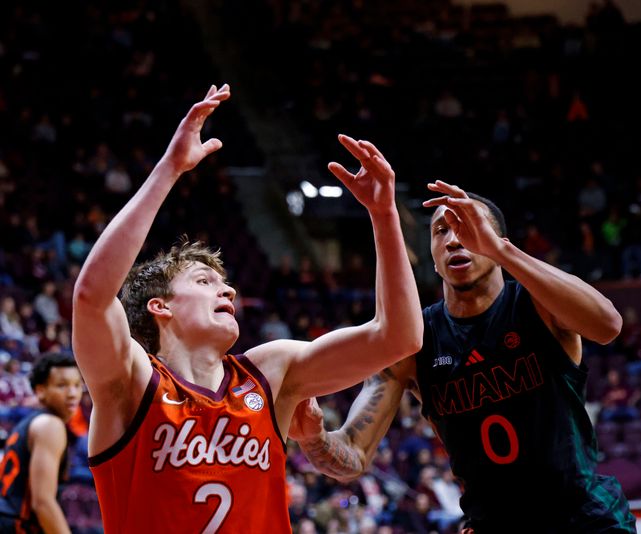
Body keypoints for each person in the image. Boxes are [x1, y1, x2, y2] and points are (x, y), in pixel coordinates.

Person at [70, 84, 423, 533]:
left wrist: (384, 216)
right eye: (205, 281)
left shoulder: (270, 372)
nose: (229, 291)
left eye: (226, 283)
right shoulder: (131, 381)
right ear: (160, 306)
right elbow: (91, 297)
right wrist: (170, 169)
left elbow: (399, 338)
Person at [290, 181, 636, 532]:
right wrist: (313, 438)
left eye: (467, 229)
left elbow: (607, 324)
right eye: (441, 231)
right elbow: (353, 453)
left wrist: (501, 250)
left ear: (493, 237)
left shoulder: (539, 304)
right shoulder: (414, 341)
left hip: (583, 518)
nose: (454, 240)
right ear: (433, 253)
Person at [0, 353, 84, 533]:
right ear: (40, 390)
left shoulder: (31, 422)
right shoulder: (50, 426)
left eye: (77, 385)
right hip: (17, 525)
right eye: (62, 385)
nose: (72, 393)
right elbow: (43, 503)